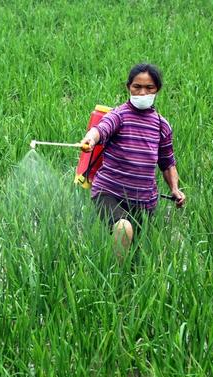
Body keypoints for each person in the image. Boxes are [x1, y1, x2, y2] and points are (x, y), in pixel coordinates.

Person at [79, 63, 186, 258]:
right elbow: (101, 129)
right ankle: (117, 282)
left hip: (144, 201)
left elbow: (167, 162)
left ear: (157, 90)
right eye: (137, 87)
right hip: (109, 193)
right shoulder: (119, 116)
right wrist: (90, 138)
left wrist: (175, 188)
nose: (142, 92)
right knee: (123, 228)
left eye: (149, 88)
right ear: (128, 87)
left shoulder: (162, 125)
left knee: (140, 254)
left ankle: (128, 280)